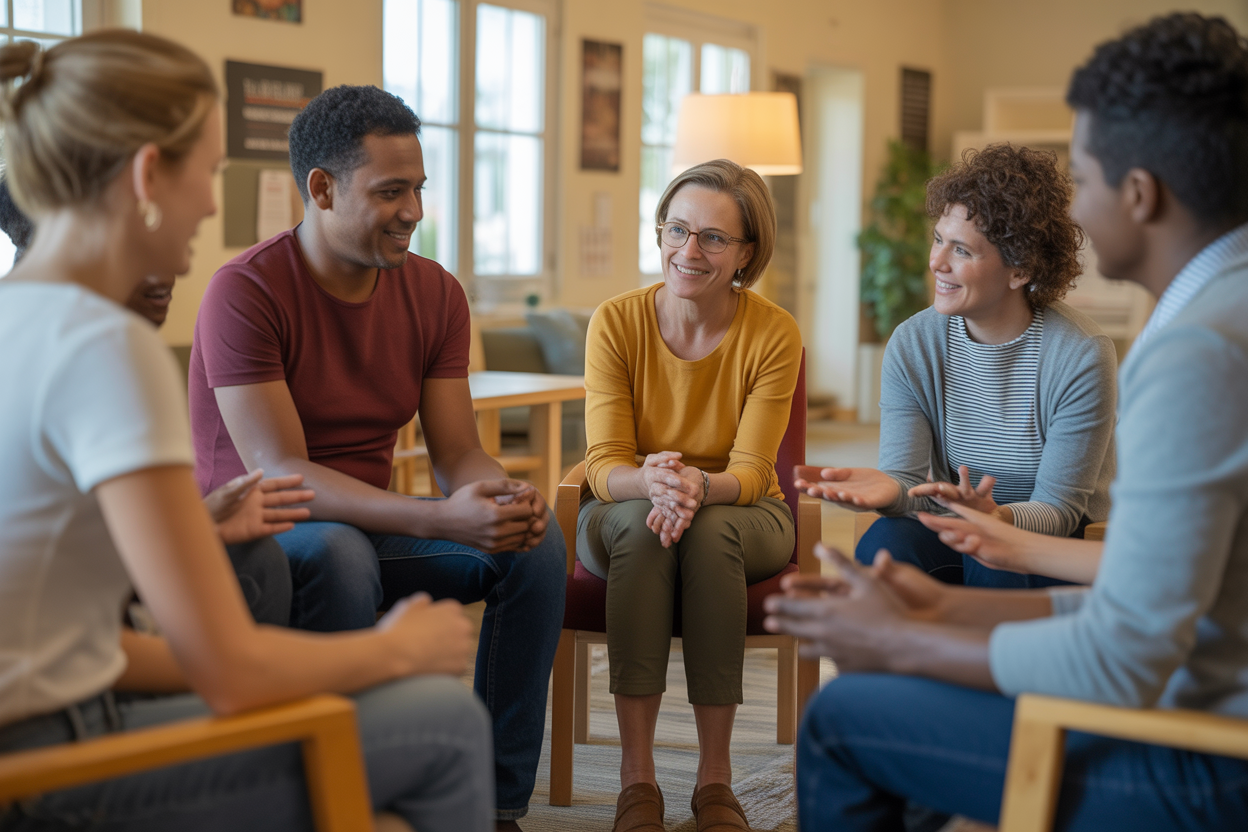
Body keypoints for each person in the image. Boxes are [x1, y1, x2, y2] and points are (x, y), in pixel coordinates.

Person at [766, 12, 1248, 830]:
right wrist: (930, 610)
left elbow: (1122, 655)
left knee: (840, 721)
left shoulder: (1196, 353)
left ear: (1140, 195)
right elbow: (1146, 597)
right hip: (1197, 705)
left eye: (1086, 177)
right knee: (899, 622)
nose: (1080, 210)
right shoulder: (1224, 307)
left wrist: (904, 643)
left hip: (1200, 757)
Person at [0, 31, 492, 831]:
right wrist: (396, 650)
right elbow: (228, 669)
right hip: (52, 766)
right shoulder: (101, 345)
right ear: (147, 174)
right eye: (210, 173)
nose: (207, 202)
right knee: (443, 721)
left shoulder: (19, 316)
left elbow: (68, 633)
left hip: (45, 723)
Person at [187, 84, 565, 827]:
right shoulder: (245, 291)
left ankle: (495, 803)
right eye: (392, 192)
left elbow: (459, 450)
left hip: (374, 523)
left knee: (537, 544)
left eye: (419, 189)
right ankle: (351, 794)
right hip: (264, 533)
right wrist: (439, 516)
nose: (415, 212)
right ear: (321, 189)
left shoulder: (434, 293)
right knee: (337, 554)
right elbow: (284, 476)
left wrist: (496, 498)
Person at [579, 159, 801, 832]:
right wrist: (654, 483)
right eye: (677, 229)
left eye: (712, 237)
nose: (688, 250)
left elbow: (757, 471)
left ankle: (715, 781)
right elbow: (602, 464)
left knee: (709, 532)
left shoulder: (773, 332)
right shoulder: (616, 322)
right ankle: (636, 779)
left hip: (740, 506)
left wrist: (701, 487)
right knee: (648, 530)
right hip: (625, 500)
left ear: (746, 252)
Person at [798, 144, 1116, 589]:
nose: (936, 262)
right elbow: (910, 485)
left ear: (1020, 269)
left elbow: (1060, 511)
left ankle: (977, 659)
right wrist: (893, 491)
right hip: (963, 524)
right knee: (884, 547)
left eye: (962, 251)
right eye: (937, 239)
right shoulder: (914, 343)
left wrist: (996, 517)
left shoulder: (1080, 354)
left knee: (994, 554)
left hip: (1057, 546)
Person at [0, 177, 299, 627]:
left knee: (258, 559)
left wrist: (197, 523)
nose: (209, 205)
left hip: (78, 634)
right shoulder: (102, 354)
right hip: (64, 665)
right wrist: (389, 650)